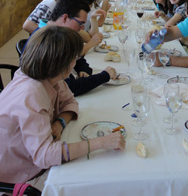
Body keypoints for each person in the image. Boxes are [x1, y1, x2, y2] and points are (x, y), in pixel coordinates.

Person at [0, 26, 125, 187]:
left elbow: (71, 102)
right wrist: (101, 143)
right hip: (18, 175)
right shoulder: (32, 94)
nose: (77, 61)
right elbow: (44, 156)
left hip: (32, 157)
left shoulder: (52, 78)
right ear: (62, 64)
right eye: (75, 57)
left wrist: (59, 123)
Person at [24, 0, 117, 97]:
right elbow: (70, 88)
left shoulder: (59, 33)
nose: (82, 28)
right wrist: (105, 75)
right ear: (65, 18)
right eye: (80, 23)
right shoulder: (48, 42)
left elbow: (77, 57)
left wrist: (83, 69)